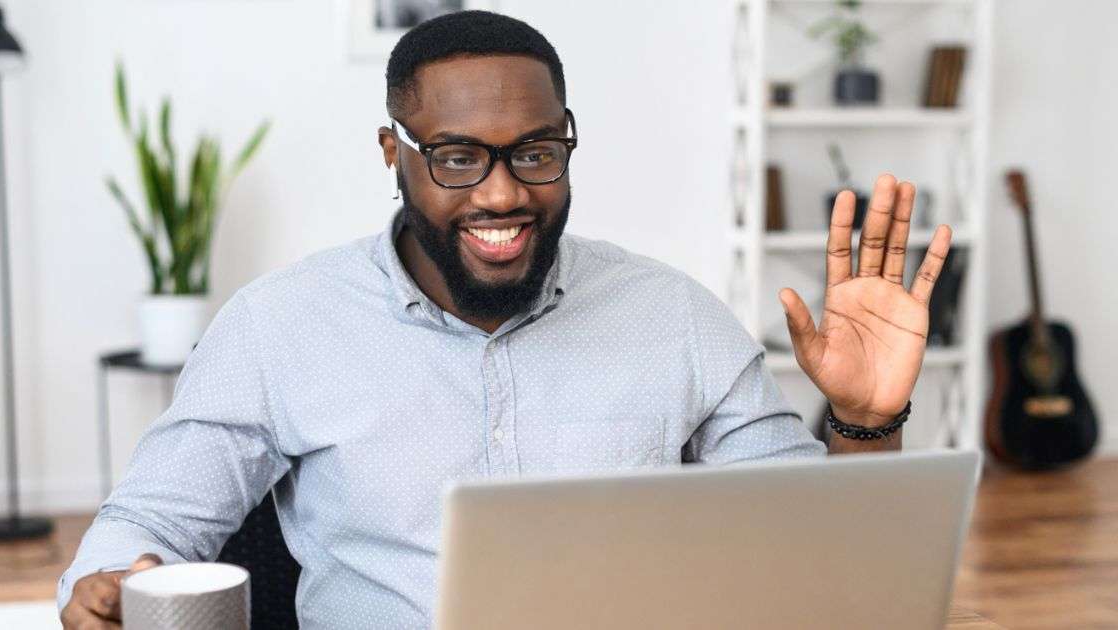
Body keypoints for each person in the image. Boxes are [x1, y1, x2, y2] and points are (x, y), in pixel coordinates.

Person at [59, 10, 952, 629]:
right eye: (456, 157)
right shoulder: (277, 328)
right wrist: (114, 583)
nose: (502, 193)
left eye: (534, 152)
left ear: (565, 137)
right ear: (393, 154)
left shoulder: (672, 315)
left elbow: (812, 546)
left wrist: (866, 419)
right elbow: (149, 521)